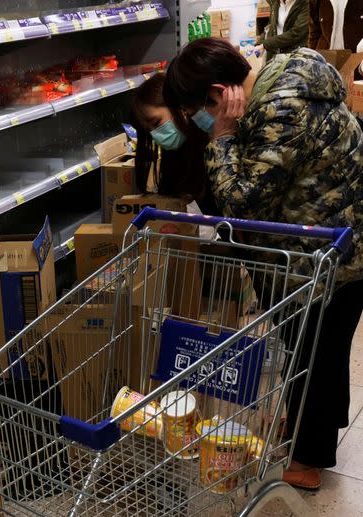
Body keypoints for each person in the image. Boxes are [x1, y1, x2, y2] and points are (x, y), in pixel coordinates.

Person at [163, 37, 363, 490]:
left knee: (315, 350)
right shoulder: (286, 77)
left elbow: (241, 203)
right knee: (320, 348)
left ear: (218, 94)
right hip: (338, 246)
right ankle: (308, 432)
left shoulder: (282, 110)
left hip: (330, 259)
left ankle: (308, 462)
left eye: (199, 110)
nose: (199, 120)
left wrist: (222, 138)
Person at [129, 73, 218, 215]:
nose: (155, 134)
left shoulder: (214, 144)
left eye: (156, 123)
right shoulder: (174, 155)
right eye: (148, 130)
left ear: (180, 108)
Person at [308, 0, 363, 78]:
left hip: (356, 64)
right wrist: (311, 58)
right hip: (324, 62)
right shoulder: (317, 2)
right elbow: (314, 32)